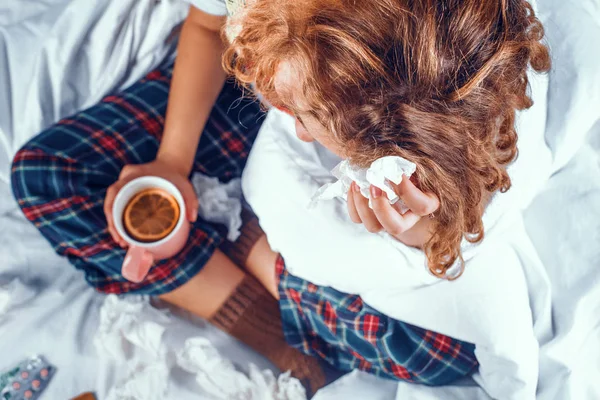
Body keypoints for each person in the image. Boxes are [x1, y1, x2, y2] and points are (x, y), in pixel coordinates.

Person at [11, 0, 550, 397]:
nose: (307, 137)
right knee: (45, 175)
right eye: (306, 118)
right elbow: (204, 26)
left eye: (313, 121)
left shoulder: (444, 104)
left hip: (332, 92)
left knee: (441, 352)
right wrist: (174, 159)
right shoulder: (267, 76)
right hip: (244, 78)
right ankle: (259, 305)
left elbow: (471, 277)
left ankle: (249, 253)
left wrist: (414, 239)